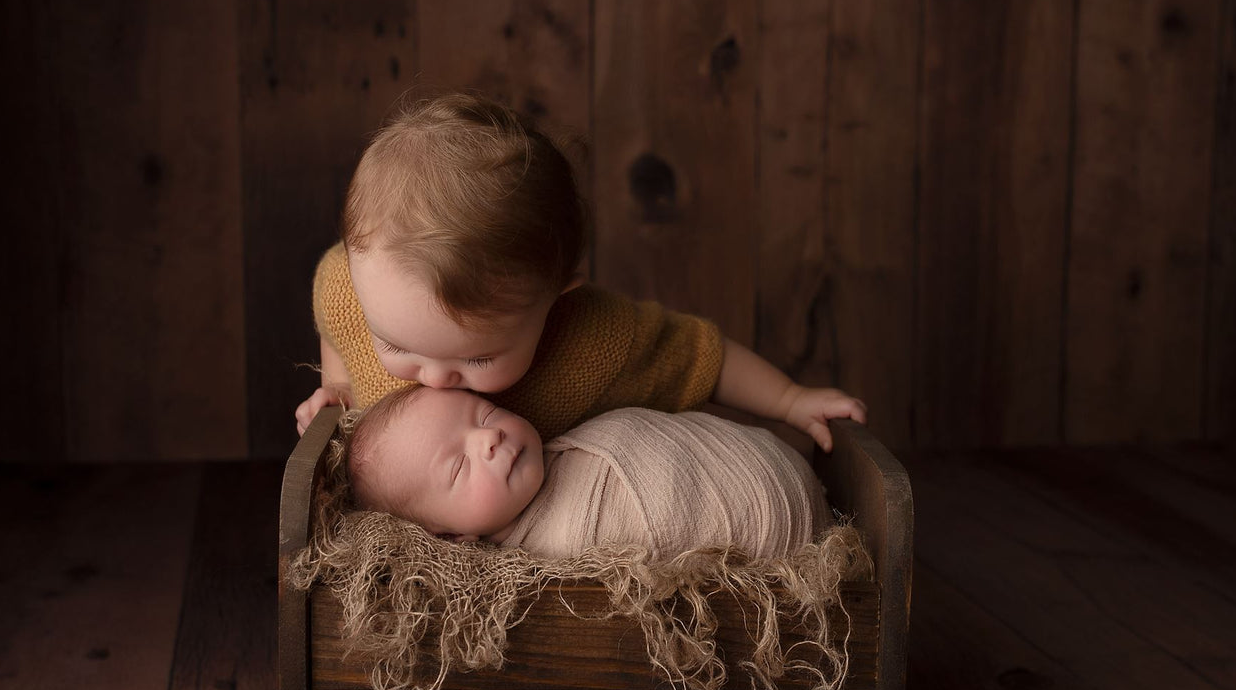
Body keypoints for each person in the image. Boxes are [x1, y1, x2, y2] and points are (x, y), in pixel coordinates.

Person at [295, 91, 866, 449]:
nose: (435, 378)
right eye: (395, 345)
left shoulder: (592, 340)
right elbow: (332, 316)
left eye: (478, 358)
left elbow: (702, 356)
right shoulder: (349, 287)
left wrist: (791, 400)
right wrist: (339, 386)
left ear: (558, 295)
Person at [346, 385, 830, 560]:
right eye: (459, 466)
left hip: (771, 469)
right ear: (451, 537)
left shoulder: (573, 444)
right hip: (779, 518)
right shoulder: (548, 559)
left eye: (485, 413)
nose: (487, 438)